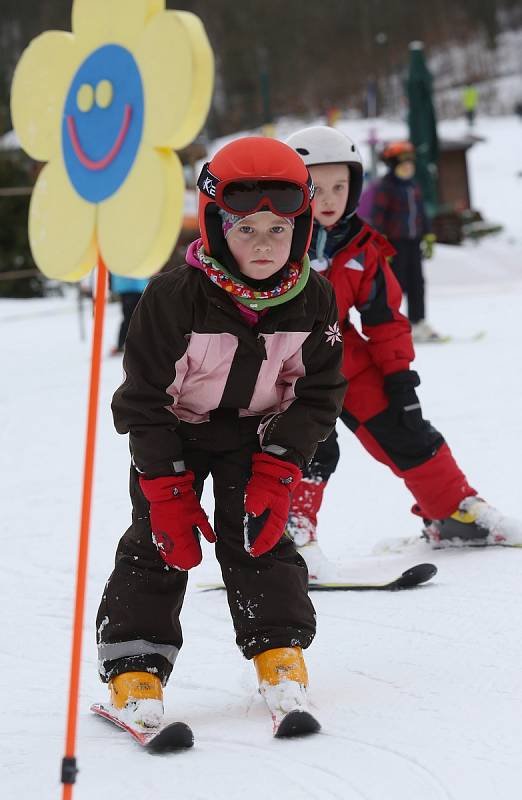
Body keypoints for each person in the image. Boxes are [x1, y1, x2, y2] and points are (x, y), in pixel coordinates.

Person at [95, 136, 346, 733]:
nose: (263, 245)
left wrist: (281, 463)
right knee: (160, 542)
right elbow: (142, 400)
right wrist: (164, 486)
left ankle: (278, 651)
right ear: (214, 224)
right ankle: (136, 665)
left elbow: (317, 391)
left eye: (278, 230)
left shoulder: (312, 298)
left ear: (302, 227)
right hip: (175, 434)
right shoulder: (173, 297)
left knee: (260, 539)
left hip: (255, 438)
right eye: (246, 229)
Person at [284, 125, 519, 580]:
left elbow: (385, 318)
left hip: (339, 351)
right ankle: (289, 534)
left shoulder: (362, 247)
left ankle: (455, 513)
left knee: (406, 423)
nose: (328, 198)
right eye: (315, 188)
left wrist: (399, 378)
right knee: (311, 442)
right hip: (283, 360)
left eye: (340, 186)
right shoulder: (275, 242)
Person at [370, 140, 439, 343]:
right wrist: (380, 243)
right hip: (395, 245)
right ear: (393, 166)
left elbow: (421, 212)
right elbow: (378, 217)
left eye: (411, 164)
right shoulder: (386, 187)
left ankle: (418, 322)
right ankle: (393, 324)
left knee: (417, 282)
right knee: (397, 284)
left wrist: (428, 235)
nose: (408, 168)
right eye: (403, 164)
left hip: (413, 242)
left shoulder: (413, 186)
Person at [109, 274, 148, 355]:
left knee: (135, 318)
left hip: (134, 286)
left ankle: (126, 345)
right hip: (130, 286)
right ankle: (123, 345)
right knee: (131, 318)